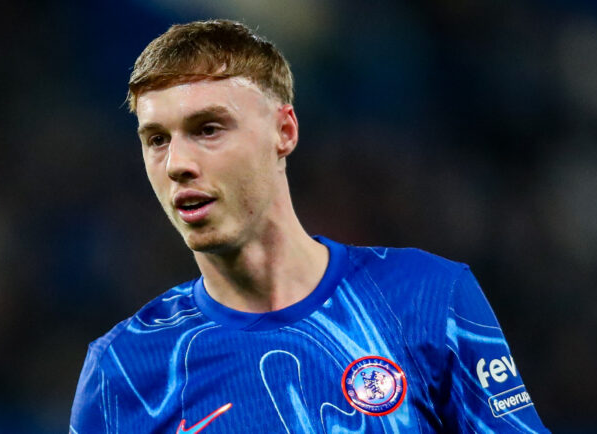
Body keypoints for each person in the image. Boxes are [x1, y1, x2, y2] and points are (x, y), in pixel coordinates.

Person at [70, 19, 549, 433]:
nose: (177, 163)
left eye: (208, 129)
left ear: (285, 131)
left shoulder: (428, 298)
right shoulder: (124, 370)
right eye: (156, 139)